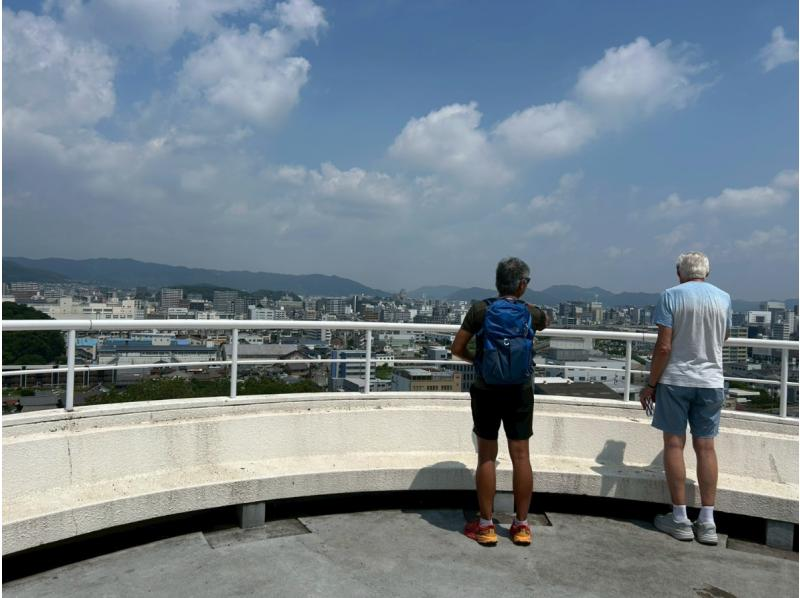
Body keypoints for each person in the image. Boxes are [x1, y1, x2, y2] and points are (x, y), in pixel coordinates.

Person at [451, 257, 549, 546]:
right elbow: (544, 323)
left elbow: (457, 348)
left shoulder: (480, 310)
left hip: (486, 389)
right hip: (520, 390)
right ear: (521, 284)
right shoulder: (532, 313)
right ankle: (520, 526)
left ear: (497, 283)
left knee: (486, 456)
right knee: (521, 457)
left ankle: (485, 526)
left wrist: (479, 363)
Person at [639, 251, 731, 546]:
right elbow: (724, 337)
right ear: (708, 273)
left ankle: (679, 519)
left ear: (679, 272)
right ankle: (707, 521)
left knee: (674, 444)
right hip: (711, 381)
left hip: (676, 380)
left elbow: (664, 347)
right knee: (706, 448)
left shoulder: (671, 296)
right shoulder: (724, 298)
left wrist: (650, 383)